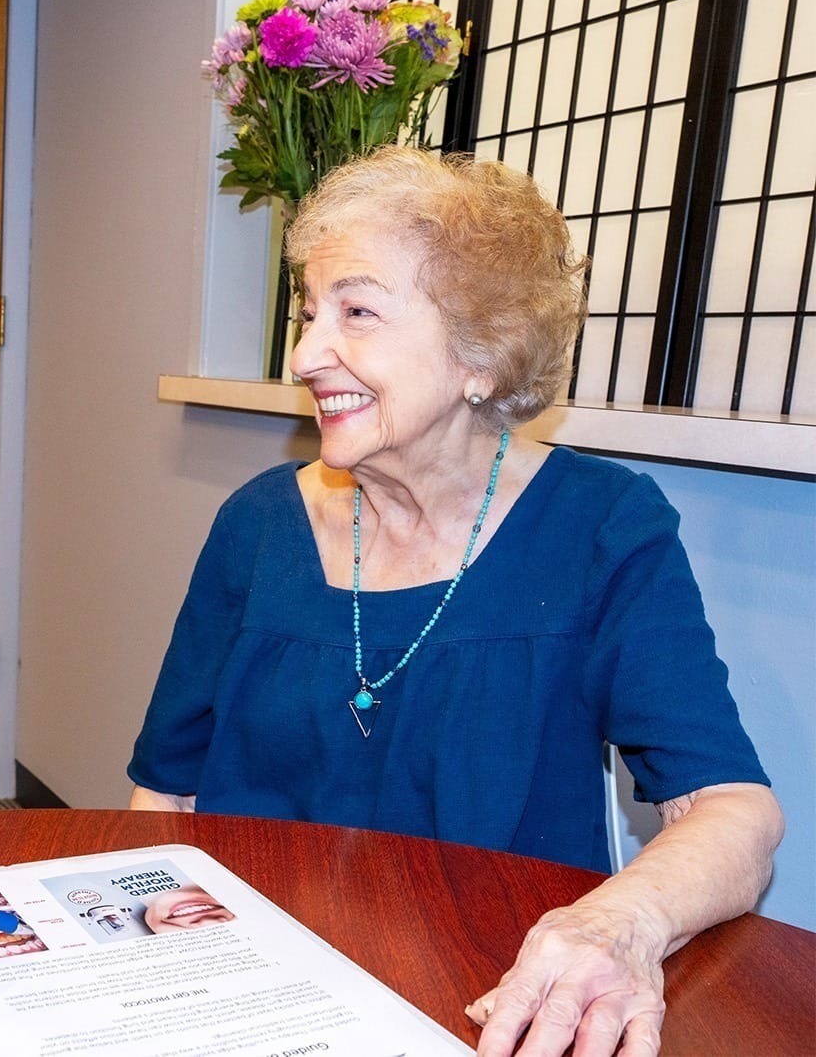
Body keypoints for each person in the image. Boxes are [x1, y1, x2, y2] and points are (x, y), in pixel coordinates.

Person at [127, 147, 784, 1057]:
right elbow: (164, 792)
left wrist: (617, 927)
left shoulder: (600, 527)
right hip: (255, 997)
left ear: (481, 351)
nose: (308, 353)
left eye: (356, 312)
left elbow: (734, 809)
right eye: (309, 313)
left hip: (488, 1002)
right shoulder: (259, 523)